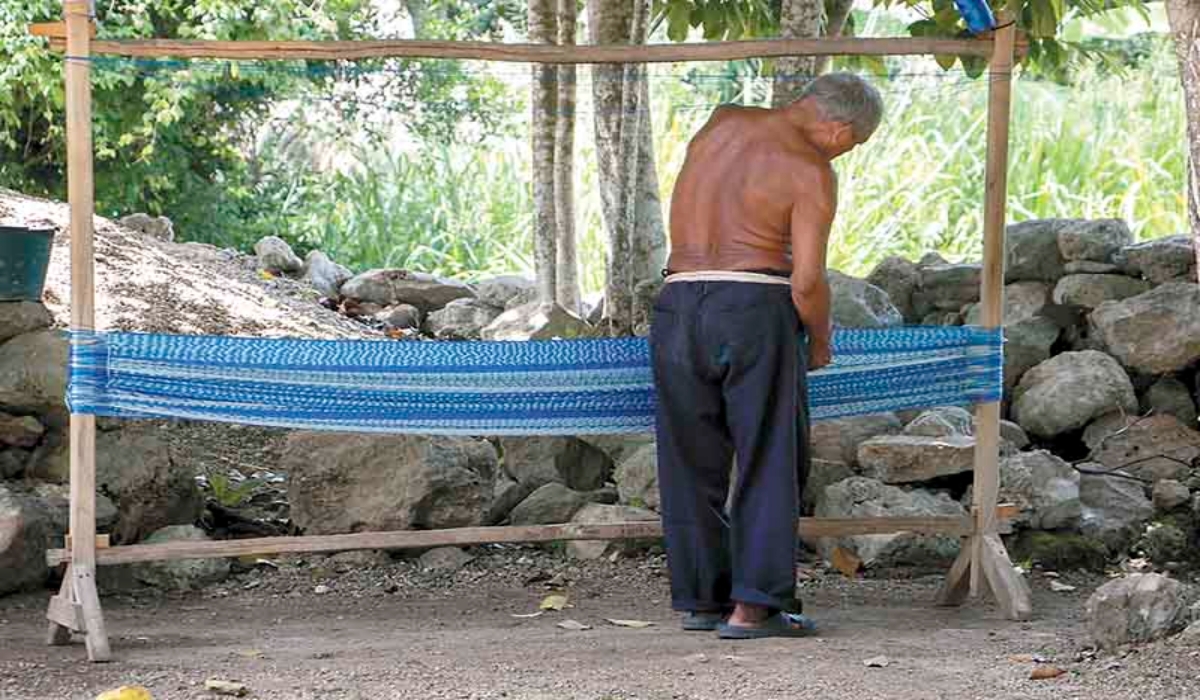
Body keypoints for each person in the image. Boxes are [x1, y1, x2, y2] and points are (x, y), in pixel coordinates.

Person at [650, 73, 883, 639]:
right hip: (755, 305)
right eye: (850, 146)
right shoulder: (811, 172)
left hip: (678, 302)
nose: (841, 155)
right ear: (838, 127)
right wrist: (821, 341)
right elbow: (806, 281)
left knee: (689, 460)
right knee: (769, 456)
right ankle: (755, 607)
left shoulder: (720, 122)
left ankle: (703, 600)